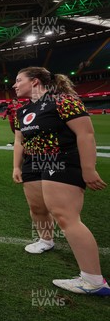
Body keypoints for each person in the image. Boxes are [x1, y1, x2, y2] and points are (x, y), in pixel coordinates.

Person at [12, 67, 109, 295]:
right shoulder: (22, 110)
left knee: (66, 216)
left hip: (61, 160)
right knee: (37, 208)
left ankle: (93, 280)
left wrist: (88, 169)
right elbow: (19, 141)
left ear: (35, 82)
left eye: (18, 80)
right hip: (33, 163)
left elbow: (85, 134)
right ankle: (46, 241)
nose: (14, 85)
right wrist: (17, 166)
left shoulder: (63, 101)